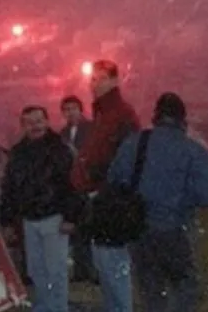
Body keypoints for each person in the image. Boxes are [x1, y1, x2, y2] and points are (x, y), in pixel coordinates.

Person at [109, 92, 208, 311]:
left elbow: (114, 179)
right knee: (184, 286)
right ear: (182, 118)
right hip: (176, 228)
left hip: (139, 229)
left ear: (156, 115)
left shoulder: (135, 143)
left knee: (151, 289)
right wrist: (182, 200)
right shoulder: (192, 150)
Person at [71, 59, 141, 312]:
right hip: (100, 201)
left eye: (100, 79)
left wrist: (98, 175)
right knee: (106, 270)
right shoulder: (102, 115)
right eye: (92, 79)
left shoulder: (121, 115)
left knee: (114, 270)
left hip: (112, 202)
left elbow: (126, 158)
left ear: (114, 80)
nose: (94, 84)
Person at [0, 106, 82, 312]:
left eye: (38, 121)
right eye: (30, 122)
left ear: (47, 121)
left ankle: (59, 308)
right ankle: (44, 307)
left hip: (55, 219)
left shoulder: (61, 149)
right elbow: (9, 189)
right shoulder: (17, 154)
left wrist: (70, 217)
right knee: (36, 270)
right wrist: (7, 221)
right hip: (29, 221)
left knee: (56, 270)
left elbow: (73, 186)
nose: (35, 126)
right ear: (23, 126)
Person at [59, 95, 94, 283]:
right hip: (72, 187)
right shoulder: (62, 134)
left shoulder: (92, 129)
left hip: (89, 184)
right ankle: (81, 270)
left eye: (73, 108)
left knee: (91, 229)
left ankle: (93, 270)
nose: (70, 112)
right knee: (78, 230)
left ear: (81, 109)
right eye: (66, 109)